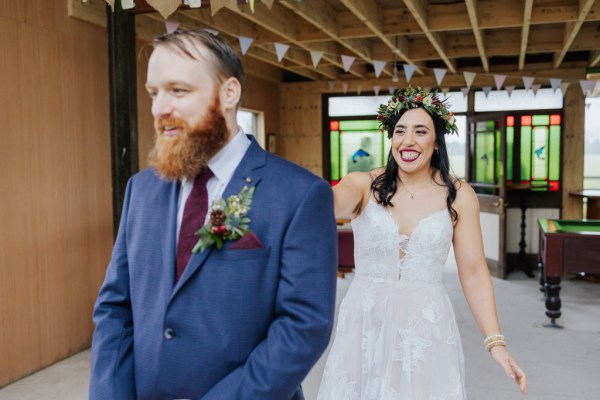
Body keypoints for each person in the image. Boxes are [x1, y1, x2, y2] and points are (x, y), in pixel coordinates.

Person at [89, 29, 338, 400]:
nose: (159, 109)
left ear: (229, 93)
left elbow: (304, 326)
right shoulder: (140, 189)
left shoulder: (300, 194)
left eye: (178, 90)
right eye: (154, 93)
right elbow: (115, 309)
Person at [317, 86, 527, 399]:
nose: (408, 140)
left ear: (437, 143)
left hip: (425, 329)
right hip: (366, 323)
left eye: (420, 131)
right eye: (400, 131)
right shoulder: (363, 184)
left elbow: (472, 271)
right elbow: (327, 202)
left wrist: (496, 343)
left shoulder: (459, 194)